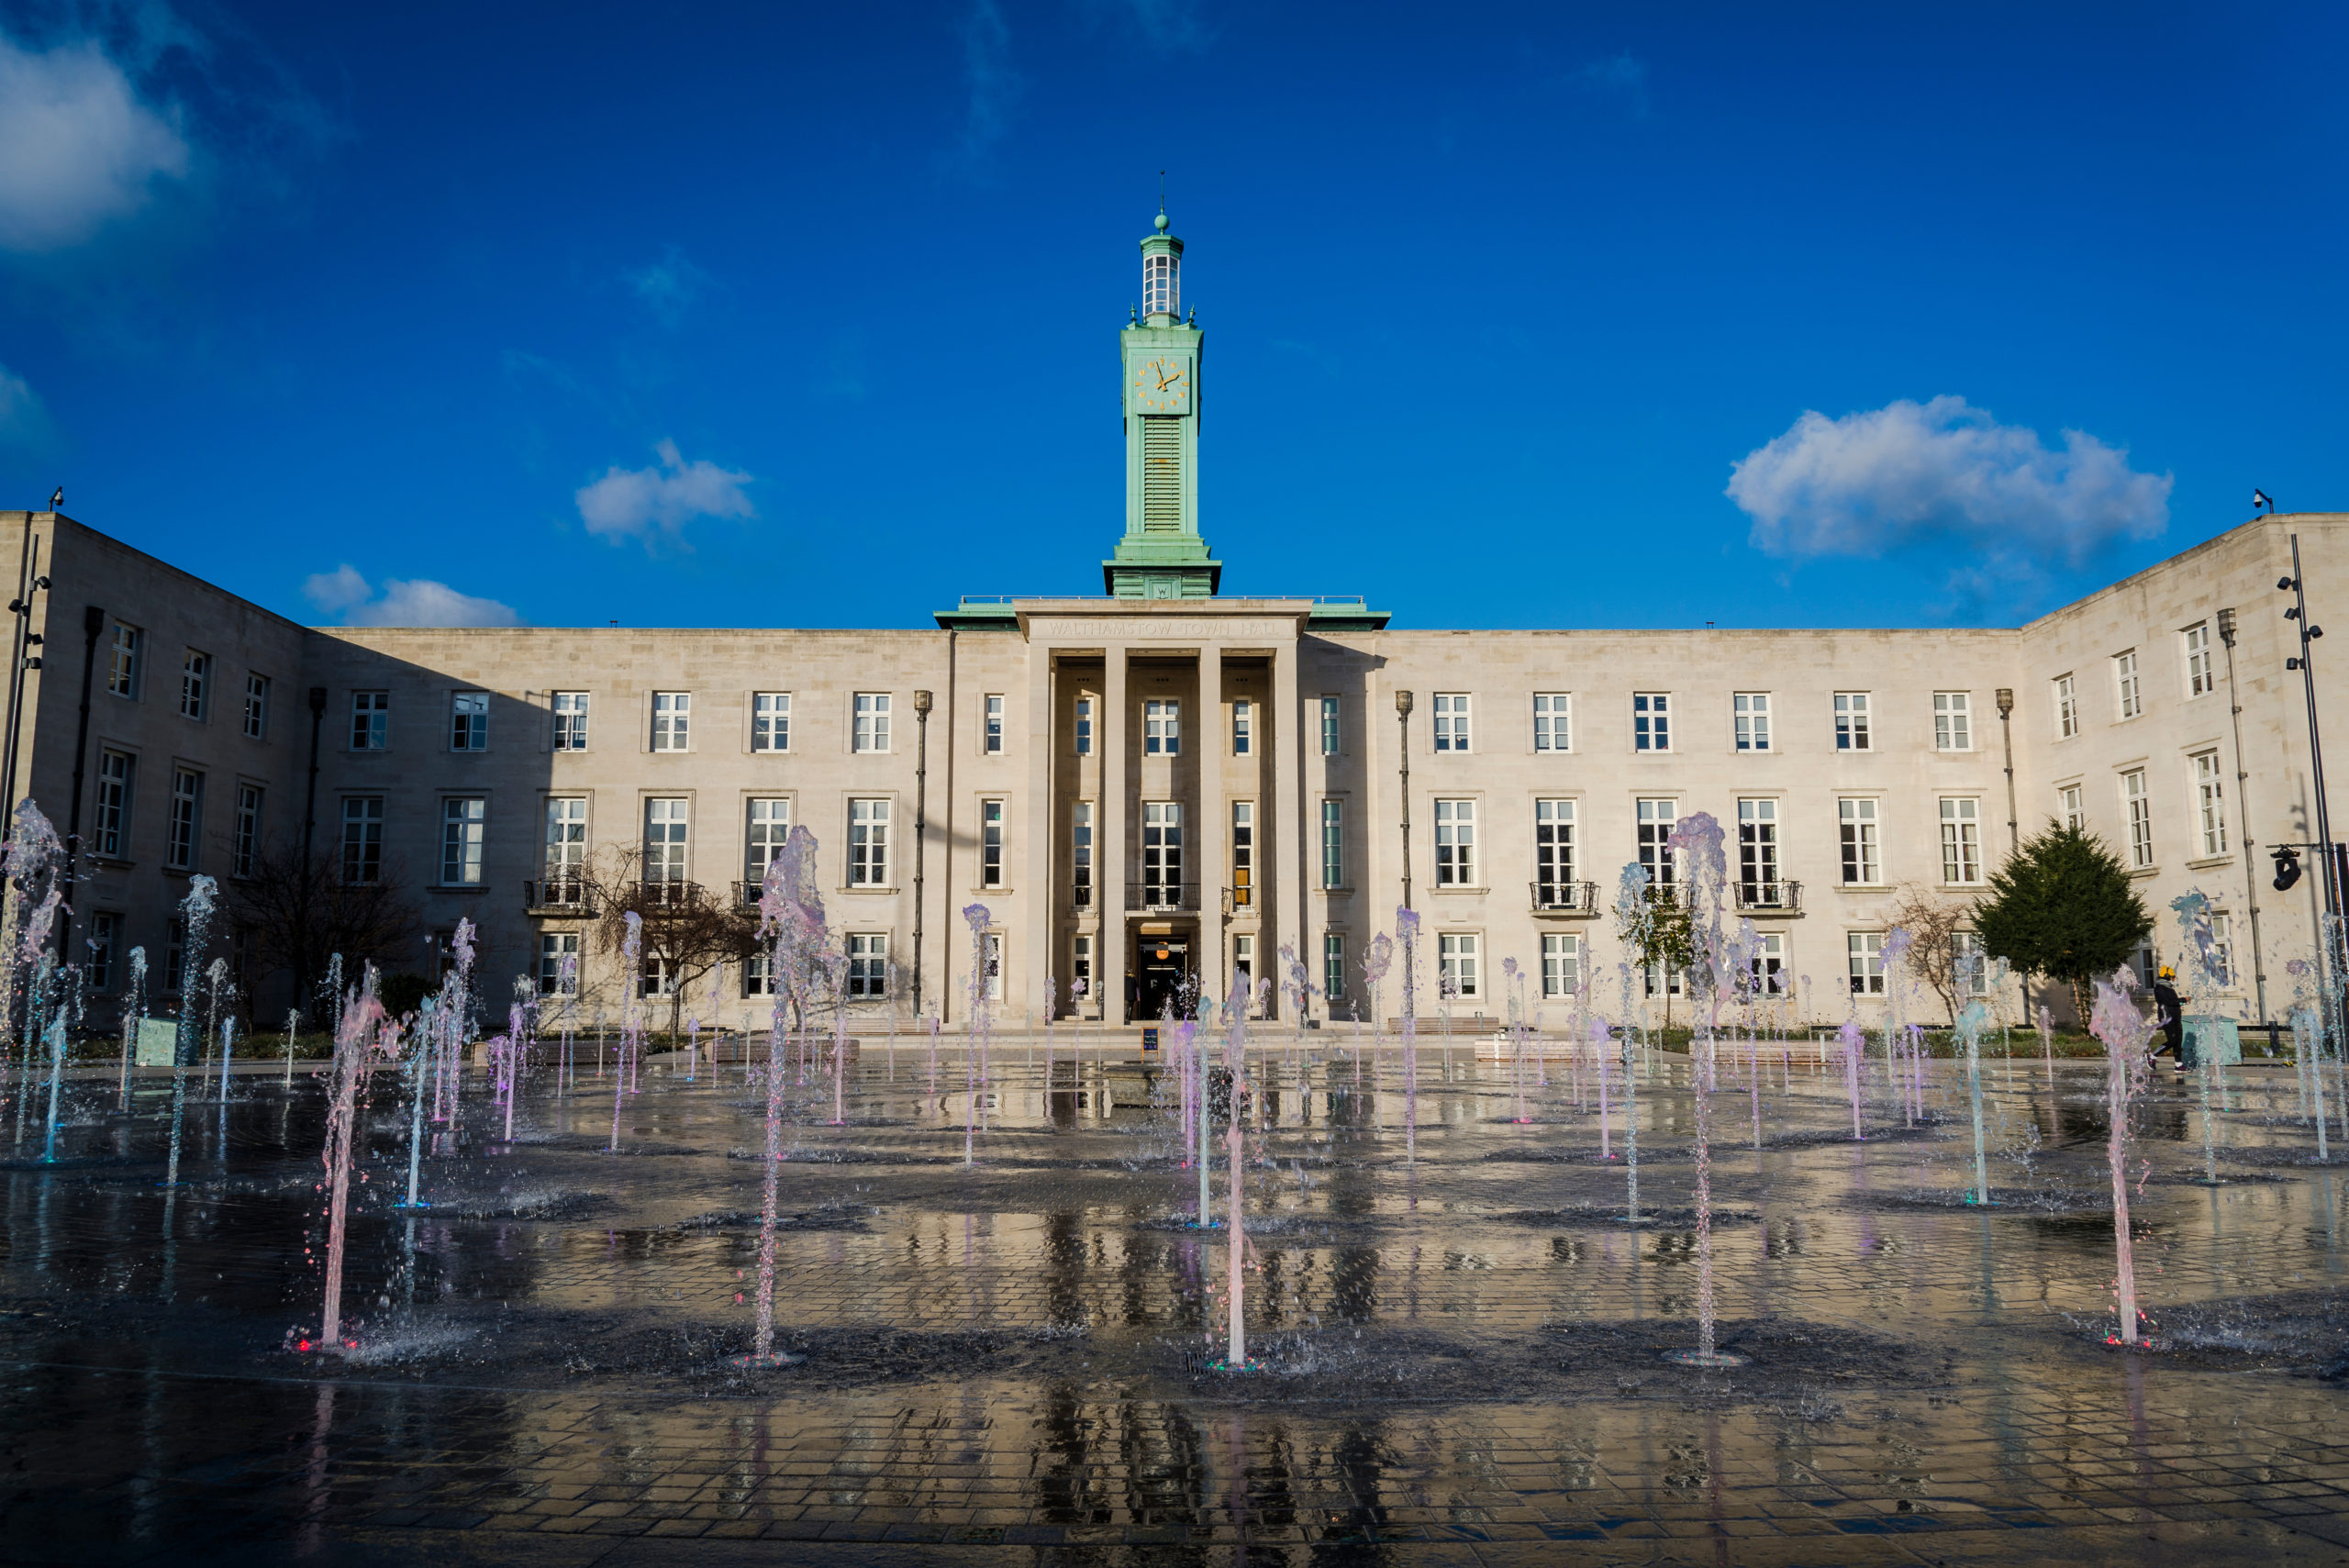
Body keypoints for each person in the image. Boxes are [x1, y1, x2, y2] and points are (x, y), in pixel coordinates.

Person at [2151, 965, 2186, 1070]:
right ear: (2166, 976)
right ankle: (2152, 1056)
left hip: (2175, 1017)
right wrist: (2183, 1000)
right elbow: (2167, 1002)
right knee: (2172, 1040)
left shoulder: (2169, 988)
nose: (2174, 979)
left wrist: (2180, 1002)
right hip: (2166, 1018)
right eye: (2172, 976)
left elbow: (2173, 1002)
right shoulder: (2160, 988)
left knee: (2178, 1040)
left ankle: (2178, 1064)